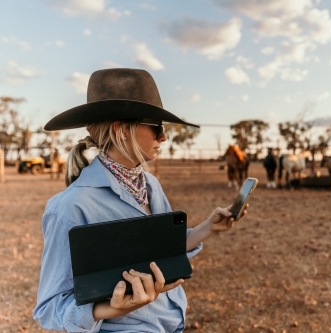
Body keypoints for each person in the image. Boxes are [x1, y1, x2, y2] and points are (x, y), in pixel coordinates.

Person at [33, 68, 249, 332]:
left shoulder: (151, 185)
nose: (164, 137)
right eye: (156, 126)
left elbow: (159, 251)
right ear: (122, 130)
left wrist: (207, 228)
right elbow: (49, 309)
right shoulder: (69, 208)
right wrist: (113, 308)